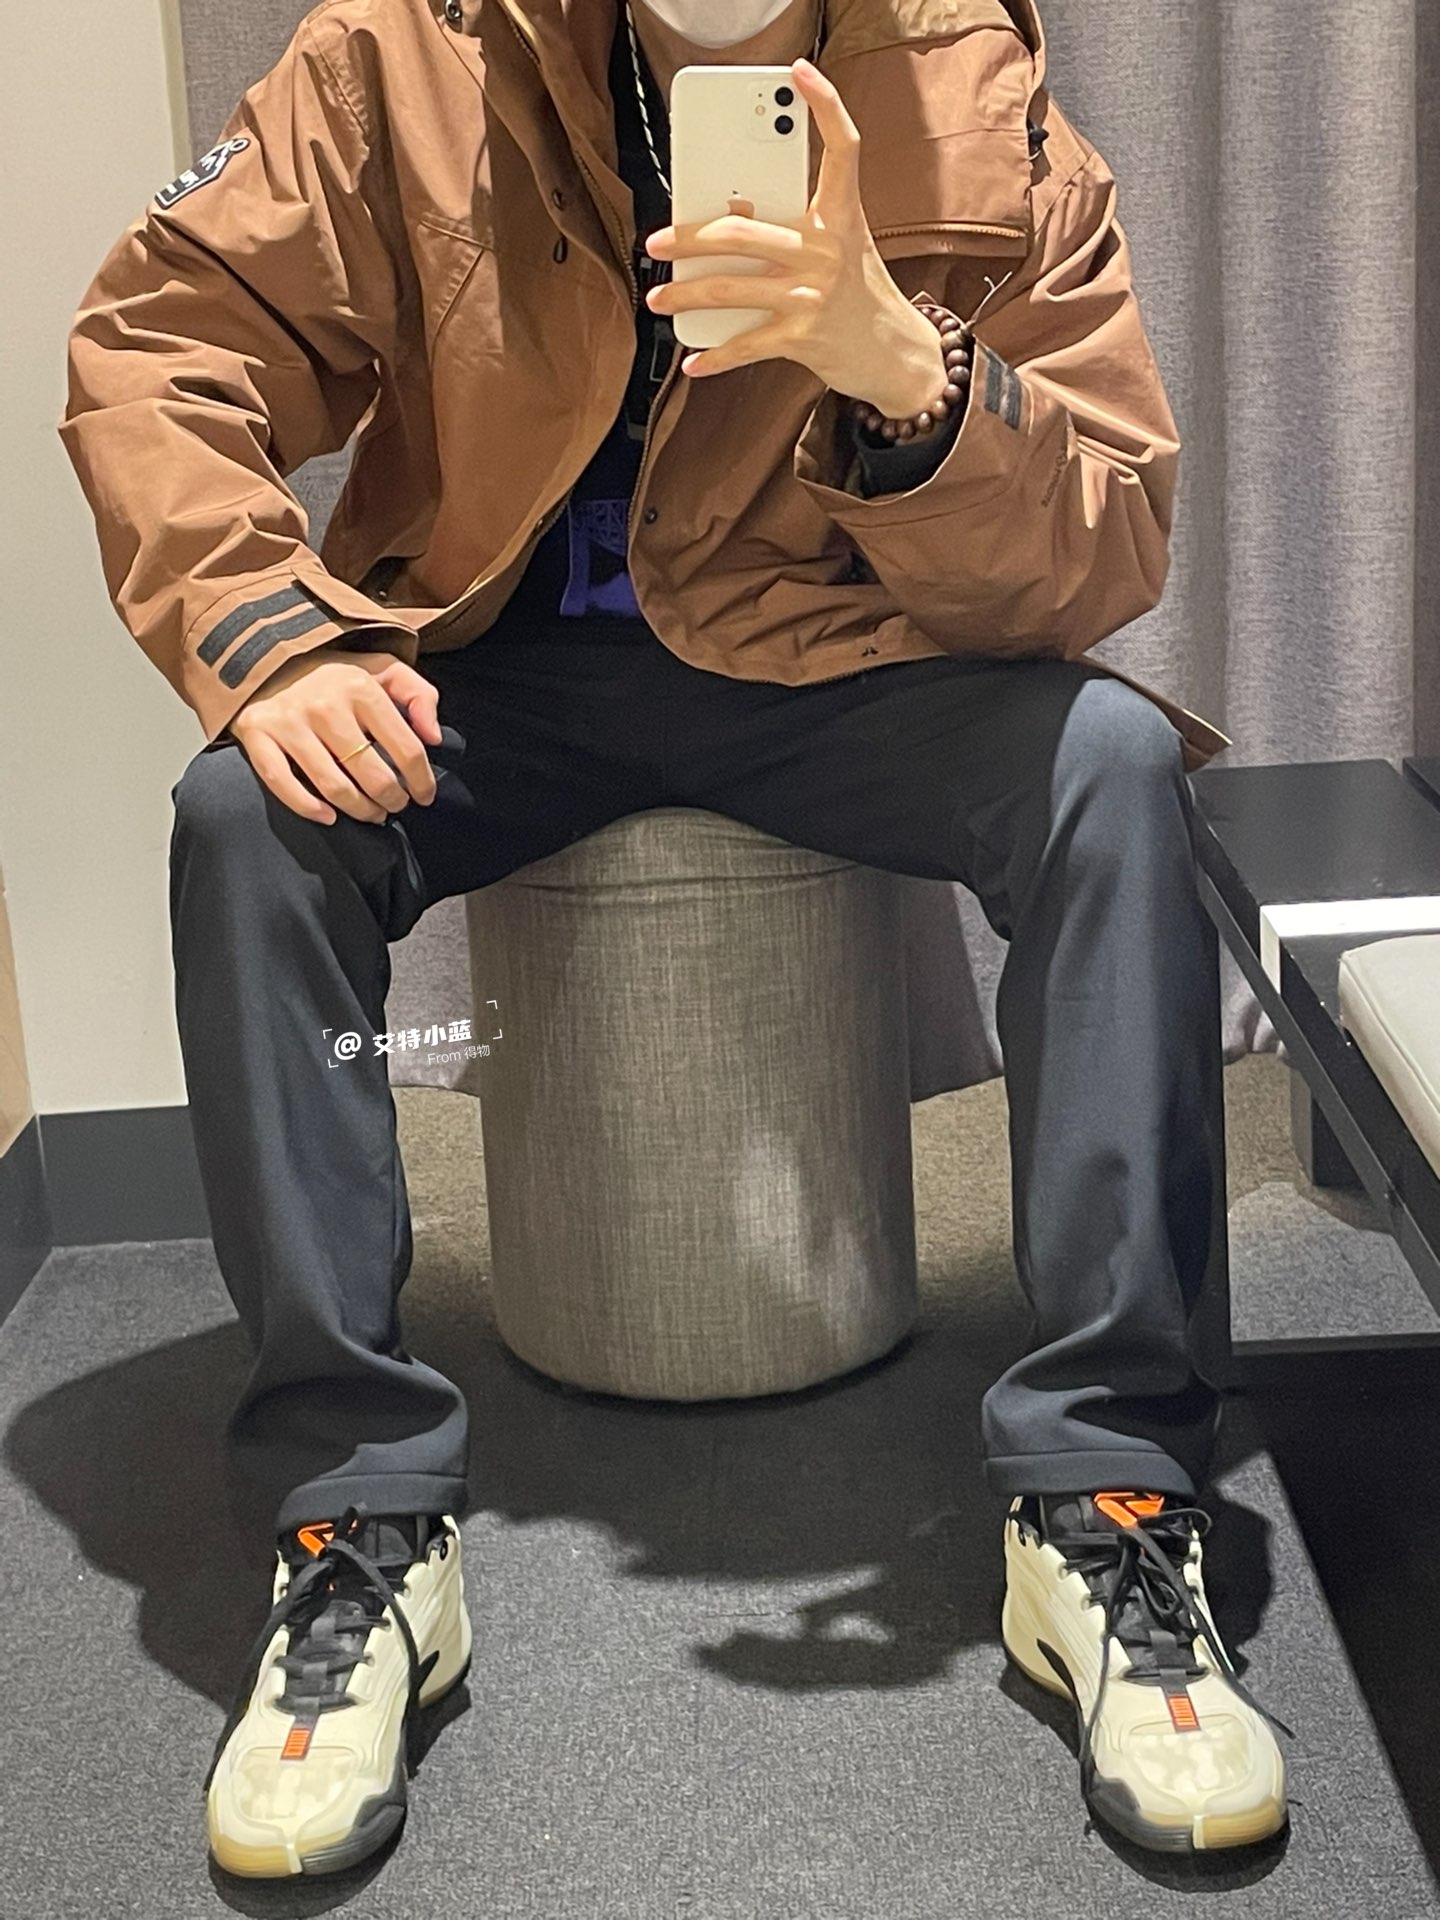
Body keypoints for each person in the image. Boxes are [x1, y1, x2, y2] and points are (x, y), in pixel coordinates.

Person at [58, 0, 1288, 1880]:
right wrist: (269, 637)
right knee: (250, 822)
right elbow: (160, 342)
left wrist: (903, 365)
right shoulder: (403, 54)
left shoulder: (965, 75)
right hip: (498, 663)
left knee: (1108, 772)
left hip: (825, 649)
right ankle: (354, 1515)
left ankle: (1107, 1493)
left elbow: (1105, 544)